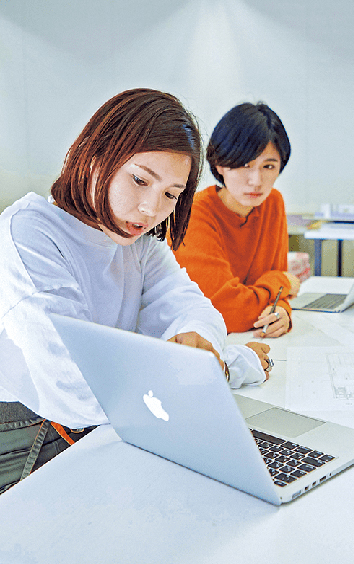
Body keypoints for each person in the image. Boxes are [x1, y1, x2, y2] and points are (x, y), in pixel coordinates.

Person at [0, 89, 272, 494]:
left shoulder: (140, 244)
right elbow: (75, 385)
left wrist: (201, 351)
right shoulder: (31, 230)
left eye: (170, 194)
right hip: (30, 429)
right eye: (140, 179)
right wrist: (224, 368)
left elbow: (198, 312)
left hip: (107, 420)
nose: (150, 209)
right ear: (96, 155)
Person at [172, 102, 299, 337]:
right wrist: (281, 281)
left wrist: (281, 310)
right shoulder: (195, 213)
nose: (256, 181)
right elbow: (226, 313)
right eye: (243, 165)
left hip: (248, 343)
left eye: (268, 166)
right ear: (220, 164)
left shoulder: (272, 203)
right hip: (194, 342)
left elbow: (277, 290)